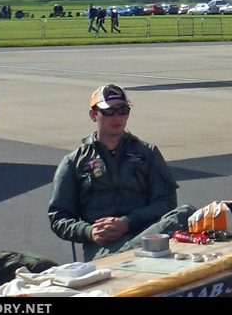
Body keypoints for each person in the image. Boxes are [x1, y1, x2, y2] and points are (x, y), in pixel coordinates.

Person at [48, 84, 192, 261]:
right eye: (108, 112)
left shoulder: (148, 153)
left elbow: (167, 202)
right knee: (120, 257)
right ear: (93, 115)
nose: (117, 117)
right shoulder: (74, 162)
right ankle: (126, 256)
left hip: (148, 234)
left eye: (123, 110)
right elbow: (59, 218)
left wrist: (127, 222)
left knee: (188, 213)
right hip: (104, 248)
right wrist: (89, 231)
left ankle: (130, 254)